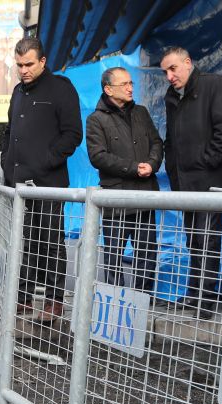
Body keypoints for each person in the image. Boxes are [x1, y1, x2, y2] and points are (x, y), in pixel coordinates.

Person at [0, 36, 82, 321]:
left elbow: (73, 134)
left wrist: (46, 161)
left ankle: (53, 299)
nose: (23, 70)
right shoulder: (17, 92)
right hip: (20, 184)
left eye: (29, 64)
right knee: (26, 241)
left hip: (49, 184)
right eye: (19, 64)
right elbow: (10, 132)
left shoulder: (61, 88)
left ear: (43, 61)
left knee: (50, 241)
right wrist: (7, 163)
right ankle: (23, 297)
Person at [160, 46, 222, 320]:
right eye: (165, 72)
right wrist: (174, 171)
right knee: (193, 240)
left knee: (207, 240)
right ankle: (194, 293)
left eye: (173, 68)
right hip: (185, 184)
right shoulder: (172, 97)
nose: (169, 76)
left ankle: (205, 300)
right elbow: (171, 140)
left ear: (188, 62)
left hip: (210, 182)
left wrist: (206, 162)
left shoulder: (213, 85)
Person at [85, 66, 163, 292]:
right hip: (116, 199)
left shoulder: (141, 113)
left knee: (147, 253)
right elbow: (98, 156)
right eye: (124, 84)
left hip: (145, 196)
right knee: (114, 256)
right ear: (108, 89)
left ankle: (142, 299)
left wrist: (152, 164)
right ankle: (115, 301)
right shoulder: (96, 119)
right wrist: (134, 168)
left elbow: (157, 143)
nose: (130, 88)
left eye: (131, 83)